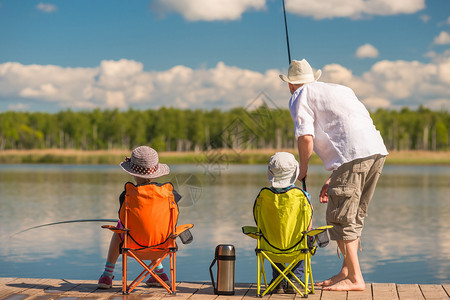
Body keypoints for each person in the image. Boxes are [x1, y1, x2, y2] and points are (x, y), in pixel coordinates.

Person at [279, 59, 388, 291]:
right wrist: (336, 173)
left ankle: (356, 279)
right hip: (375, 151)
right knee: (355, 214)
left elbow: (305, 137)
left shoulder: (299, 96)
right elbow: (350, 127)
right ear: (312, 78)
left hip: (353, 156)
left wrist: (304, 167)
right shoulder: (340, 89)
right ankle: (347, 272)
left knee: (340, 217)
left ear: (290, 85)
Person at [98, 145, 181, 289]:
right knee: (155, 225)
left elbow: (126, 219)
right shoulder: (170, 194)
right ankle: (160, 273)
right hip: (163, 246)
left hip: (132, 246)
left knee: (119, 228)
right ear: (156, 172)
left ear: (133, 173)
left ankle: (107, 275)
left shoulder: (127, 195)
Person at [265, 152, 311, 294]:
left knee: (270, 235)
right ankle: (294, 279)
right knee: (307, 237)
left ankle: (278, 280)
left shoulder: (264, 197)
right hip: (296, 247)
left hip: (271, 247)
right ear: (295, 172)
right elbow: (308, 225)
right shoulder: (303, 197)